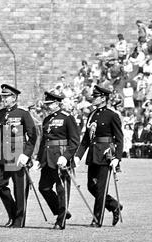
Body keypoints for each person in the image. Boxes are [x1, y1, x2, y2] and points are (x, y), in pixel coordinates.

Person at [74, 85, 124, 227]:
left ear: (103, 98)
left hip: (105, 153)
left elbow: (119, 138)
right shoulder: (92, 115)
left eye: (95, 97)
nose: (93, 99)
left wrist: (117, 158)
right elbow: (86, 140)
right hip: (93, 153)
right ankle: (114, 205)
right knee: (91, 186)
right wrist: (78, 156)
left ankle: (97, 220)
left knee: (101, 189)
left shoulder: (112, 115)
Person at [0, 84, 37, 228]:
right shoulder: (1, 113)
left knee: (19, 188)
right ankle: (12, 213)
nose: (3, 99)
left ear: (14, 98)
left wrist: (26, 154)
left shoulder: (23, 113)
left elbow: (33, 135)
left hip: (18, 152)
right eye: (3, 97)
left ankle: (19, 220)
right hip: (4, 153)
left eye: (6, 97)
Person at [36, 91, 80, 230]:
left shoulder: (67, 118)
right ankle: (61, 211)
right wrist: (38, 158)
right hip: (47, 158)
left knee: (62, 189)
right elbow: (44, 140)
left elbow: (74, 141)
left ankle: (61, 221)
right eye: (47, 104)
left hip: (61, 157)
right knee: (44, 187)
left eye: (50, 104)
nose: (48, 107)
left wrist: (66, 157)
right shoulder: (47, 119)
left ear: (57, 103)